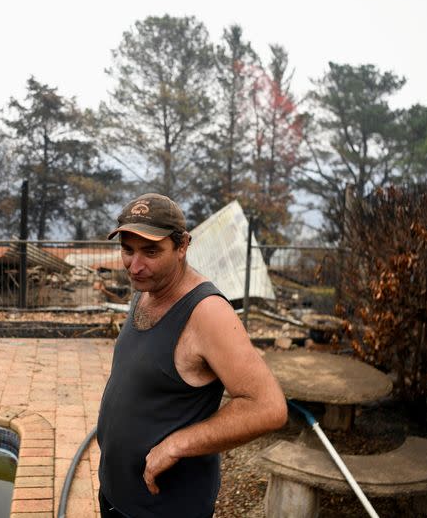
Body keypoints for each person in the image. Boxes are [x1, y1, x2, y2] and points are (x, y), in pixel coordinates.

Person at [96, 192, 287, 518]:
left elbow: (268, 407)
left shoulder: (207, 313)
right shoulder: (146, 290)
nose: (136, 265)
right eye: (128, 250)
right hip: (117, 495)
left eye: (151, 251)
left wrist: (177, 444)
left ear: (183, 246)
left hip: (164, 508)